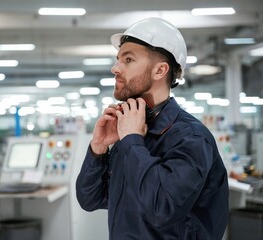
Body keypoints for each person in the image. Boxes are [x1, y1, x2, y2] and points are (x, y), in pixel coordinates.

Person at [75, 17, 229, 240]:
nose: (115, 68)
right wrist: (98, 149)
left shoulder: (190, 138)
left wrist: (131, 141)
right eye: (118, 59)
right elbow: (90, 200)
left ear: (160, 71)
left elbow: (162, 209)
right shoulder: (131, 131)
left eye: (128, 60)